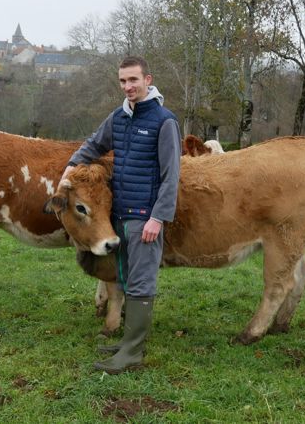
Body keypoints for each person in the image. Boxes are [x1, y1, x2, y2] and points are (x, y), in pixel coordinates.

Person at [60, 55, 181, 374]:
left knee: (141, 282)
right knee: (126, 276)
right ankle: (128, 342)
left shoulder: (164, 121)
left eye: (133, 80)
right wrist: (70, 167)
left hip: (145, 218)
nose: (128, 86)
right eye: (123, 81)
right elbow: (93, 145)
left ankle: (132, 353)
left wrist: (158, 217)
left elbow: (172, 175)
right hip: (120, 215)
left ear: (148, 80)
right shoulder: (119, 118)